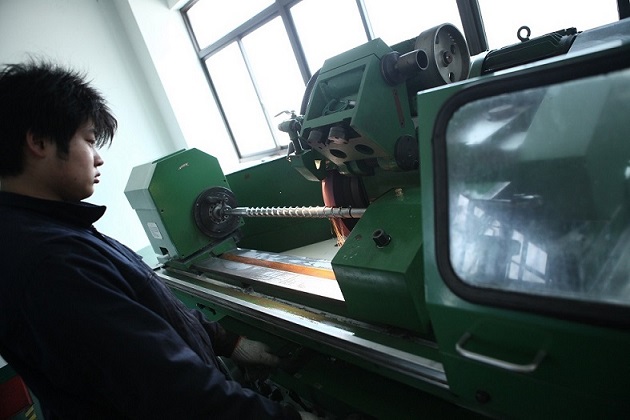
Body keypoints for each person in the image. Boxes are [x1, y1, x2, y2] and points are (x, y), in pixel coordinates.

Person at [0, 60, 316, 419]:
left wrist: (230, 342)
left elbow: (150, 306)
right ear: (39, 142)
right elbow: (174, 392)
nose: (98, 158)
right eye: (88, 140)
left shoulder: (52, 230)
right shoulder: (48, 262)